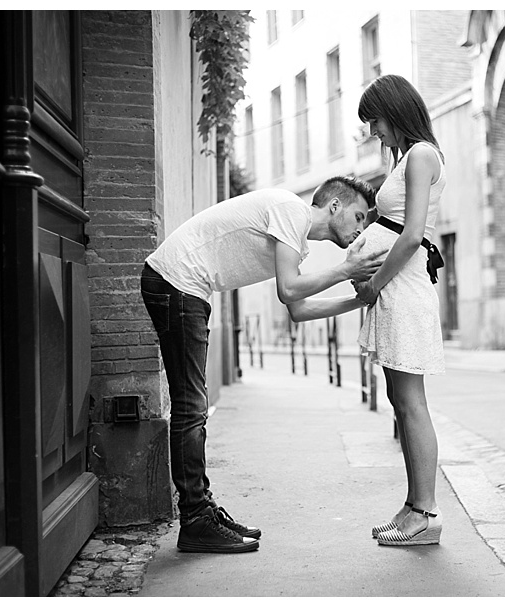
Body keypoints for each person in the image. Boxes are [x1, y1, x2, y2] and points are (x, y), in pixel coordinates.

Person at [141, 176, 383, 553]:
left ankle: (201, 509)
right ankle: (195, 520)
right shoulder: (290, 210)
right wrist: (346, 272)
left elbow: (298, 310)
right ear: (335, 206)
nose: (360, 229)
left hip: (185, 287)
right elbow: (288, 290)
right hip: (177, 282)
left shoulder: (296, 241)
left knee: (193, 406)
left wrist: (358, 301)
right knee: (191, 407)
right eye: (359, 216)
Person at [352, 74, 447, 546]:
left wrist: (373, 285)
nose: (375, 132)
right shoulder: (407, 159)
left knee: (411, 402)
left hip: (402, 290)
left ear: (396, 110)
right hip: (397, 290)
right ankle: (413, 505)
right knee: (399, 400)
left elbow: (411, 236)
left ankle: (426, 510)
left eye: (376, 120)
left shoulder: (422, 155)